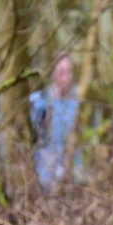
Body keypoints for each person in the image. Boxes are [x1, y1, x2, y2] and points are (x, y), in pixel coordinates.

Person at [29, 55, 82, 189]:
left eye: (68, 72)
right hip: (47, 168)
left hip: (74, 167)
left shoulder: (79, 102)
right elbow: (34, 131)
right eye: (61, 72)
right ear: (53, 74)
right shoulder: (41, 101)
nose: (65, 77)